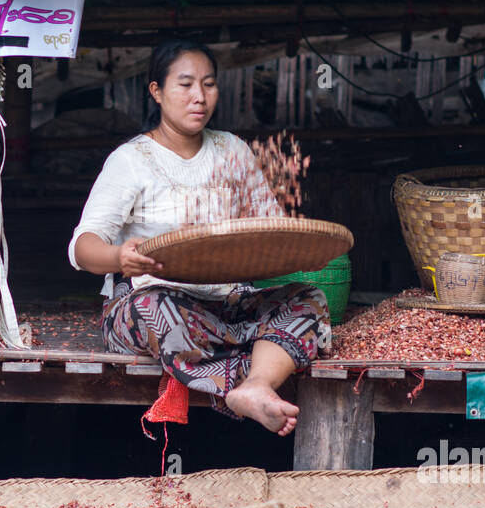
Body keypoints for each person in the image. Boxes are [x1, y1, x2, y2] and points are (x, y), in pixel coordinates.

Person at [68, 38, 331, 437]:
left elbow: (271, 230)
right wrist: (120, 257)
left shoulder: (233, 151)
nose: (199, 97)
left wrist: (298, 251)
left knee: (308, 298)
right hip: (159, 302)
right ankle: (247, 372)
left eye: (208, 84)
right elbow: (82, 248)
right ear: (156, 91)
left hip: (228, 304)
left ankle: (256, 385)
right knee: (155, 310)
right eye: (185, 84)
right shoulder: (132, 160)